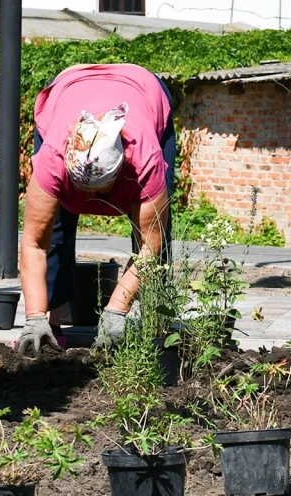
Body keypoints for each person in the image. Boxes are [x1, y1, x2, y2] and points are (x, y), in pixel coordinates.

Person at [13, 63, 175, 356]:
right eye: (81, 188)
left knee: (157, 232)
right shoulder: (53, 158)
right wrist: (32, 317)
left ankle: (154, 326)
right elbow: (34, 243)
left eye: (98, 190)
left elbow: (150, 248)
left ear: (121, 168)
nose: (89, 198)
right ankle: (49, 324)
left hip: (143, 89)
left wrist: (115, 310)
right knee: (56, 226)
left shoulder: (144, 161)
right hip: (68, 89)